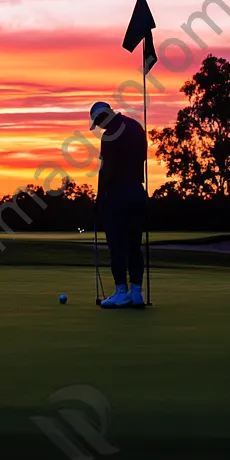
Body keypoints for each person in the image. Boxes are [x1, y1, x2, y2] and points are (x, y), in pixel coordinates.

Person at [90, 101, 147, 308]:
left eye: (98, 122)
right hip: (138, 192)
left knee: (117, 245)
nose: (100, 127)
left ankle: (121, 291)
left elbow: (106, 170)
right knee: (134, 244)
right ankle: (137, 292)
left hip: (118, 194)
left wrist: (99, 200)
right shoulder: (136, 127)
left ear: (101, 117)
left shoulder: (109, 135)